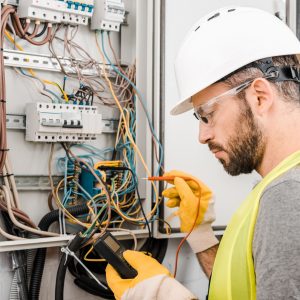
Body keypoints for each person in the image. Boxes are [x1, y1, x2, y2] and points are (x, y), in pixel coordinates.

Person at [105, 6, 300, 300]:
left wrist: (159, 295)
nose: (202, 136)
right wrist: (201, 235)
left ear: (259, 97)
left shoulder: (287, 195)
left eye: (207, 115)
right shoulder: (278, 186)